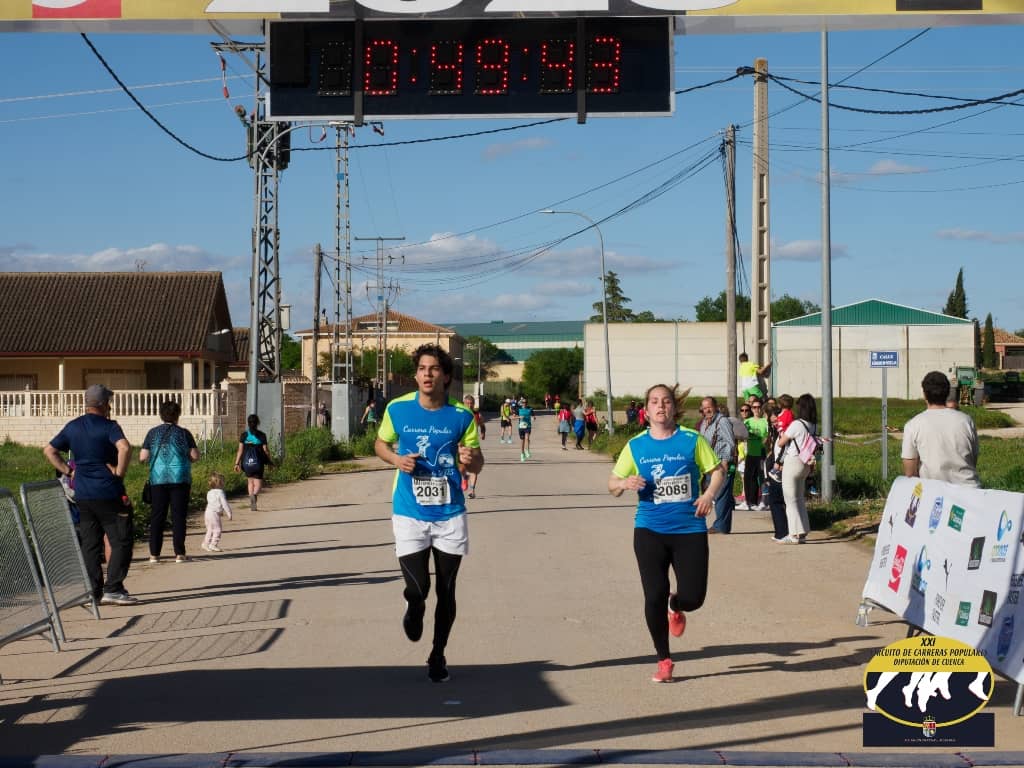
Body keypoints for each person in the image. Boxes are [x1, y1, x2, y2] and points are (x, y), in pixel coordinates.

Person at [374, 343, 483, 683]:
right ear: (416, 374)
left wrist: (471, 460)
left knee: (446, 590)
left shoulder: (461, 416)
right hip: (409, 511)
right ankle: (414, 604)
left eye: (434, 369)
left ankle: (438, 654)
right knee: (419, 587)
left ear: (446, 376)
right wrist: (396, 460)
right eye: (422, 368)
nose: (427, 374)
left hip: (450, 512)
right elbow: (380, 444)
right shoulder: (398, 409)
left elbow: (477, 461)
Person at [608, 383, 725, 683]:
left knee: (694, 597)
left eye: (666, 401)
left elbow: (717, 471)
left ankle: (677, 605)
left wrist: (709, 495)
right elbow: (612, 484)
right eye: (654, 402)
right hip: (649, 529)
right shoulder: (636, 446)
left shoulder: (692, 440)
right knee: (654, 595)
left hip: (689, 528)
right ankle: (664, 660)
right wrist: (624, 484)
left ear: (674, 407)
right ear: (646, 411)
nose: (660, 406)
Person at [43, 384, 137, 606]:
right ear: (104, 404)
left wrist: (69, 471)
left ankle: (93, 592)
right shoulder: (110, 426)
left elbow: (49, 450)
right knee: (121, 540)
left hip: (83, 493)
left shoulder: (73, 426)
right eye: (109, 402)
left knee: (90, 544)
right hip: (109, 492)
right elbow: (124, 448)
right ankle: (113, 588)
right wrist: (119, 473)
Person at [140, 400, 200, 564]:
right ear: (177, 415)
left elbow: (143, 457)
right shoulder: (184, 433)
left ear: (161, 414)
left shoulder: (152, 433)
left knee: (157, 516)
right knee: (179, 516)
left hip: (158, 479)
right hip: (180, 478)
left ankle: (154, 554)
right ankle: (179, 554)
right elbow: (195, 456)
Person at [902, 370, 980, 487]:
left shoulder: (913, 425)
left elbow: (910, 473)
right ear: (948, 392)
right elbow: (973, 458)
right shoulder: (966, 421)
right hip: (969, 490)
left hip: (934, 492)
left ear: (924, 394)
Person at [774, 393, 818, 543]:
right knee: (799, 499)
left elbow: (781, 442)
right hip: (806, 463)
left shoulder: (797, 424)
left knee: (790, 500)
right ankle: (803, 532)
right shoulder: (813, 425)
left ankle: (793, 534)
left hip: (792, 462)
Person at [697, 396, 736, 535]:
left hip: (721, 463)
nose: (707, 410)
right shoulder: (704, 423)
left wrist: (725, 461)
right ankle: (722, 524)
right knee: (717, 495)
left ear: (715, 407)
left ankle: (721, 526)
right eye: (704, 408)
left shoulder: (722, 421)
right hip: (710, 464)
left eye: (709, 407)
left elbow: (730, 443)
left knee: (721, 495)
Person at [761, 404, 789, 542]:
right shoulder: (775, 431)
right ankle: (781, 532)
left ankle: (783, 532)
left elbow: (785, 449)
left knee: (777, 501)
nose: (774, 424)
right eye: (771, 422)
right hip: (774, 472)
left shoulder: (784, 431)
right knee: (776, 502)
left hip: (780, 471)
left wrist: (778, 462)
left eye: (775, 421)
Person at [234, 414, 273, 510]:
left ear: (248, 423)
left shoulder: (244, 435)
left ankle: (251, 497)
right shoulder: (261, 435)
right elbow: (266, 450)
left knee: (250, 482)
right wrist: (269, 461)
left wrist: (236, 463)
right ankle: (254, 495)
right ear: (257, 423)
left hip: (246, 463)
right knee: (258, 483)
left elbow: (240, 451)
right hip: (258, 463)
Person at [740, 399, 768, 511]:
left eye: (759, 407)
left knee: (761, 478)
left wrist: (762, 440)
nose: (757, 409)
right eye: (754, 407)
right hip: (750, 453)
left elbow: (767, 437)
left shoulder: (765, 421)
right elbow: (741, 436)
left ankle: (762, 501)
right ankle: (750, 502)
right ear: (751, 409)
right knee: (749, 478)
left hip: (761, 453)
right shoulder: (747, 422)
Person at [201, 472, 233, 553]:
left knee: (210, 529)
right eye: (223, 481)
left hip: (208, 512)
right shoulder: (220, 492)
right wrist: (229, 513)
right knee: (217, 529)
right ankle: (213, 544)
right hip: (214, 514)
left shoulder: (209, 492)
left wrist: (219, 511)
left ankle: (205, 543)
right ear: (220, 483)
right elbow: (224, 503)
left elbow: (213, 503)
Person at [462, 394, 485, 498]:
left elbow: (482, 424)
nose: (469, 405)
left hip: (474, 445)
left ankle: (472, 491)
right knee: (462, 466)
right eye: (467, 403)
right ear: (464, 403)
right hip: (462, 444)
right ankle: (464, 478)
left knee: (474, 469)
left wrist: (483, 432)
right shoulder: (459, 413)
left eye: (471, 403)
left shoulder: (477, 414)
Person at [518, 396, 534, 461]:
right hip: (521, 427)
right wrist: (519, 417)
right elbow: (512, 417)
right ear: (521, 403)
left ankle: (527, 450)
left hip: (528, 426)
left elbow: (533, 416)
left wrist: (533, 418)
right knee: (522, 441)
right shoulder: (518, 409)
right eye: (523, 402)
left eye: (525, 402)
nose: (524, 403)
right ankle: (522, 454)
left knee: (527, 438)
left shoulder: (530, 409)